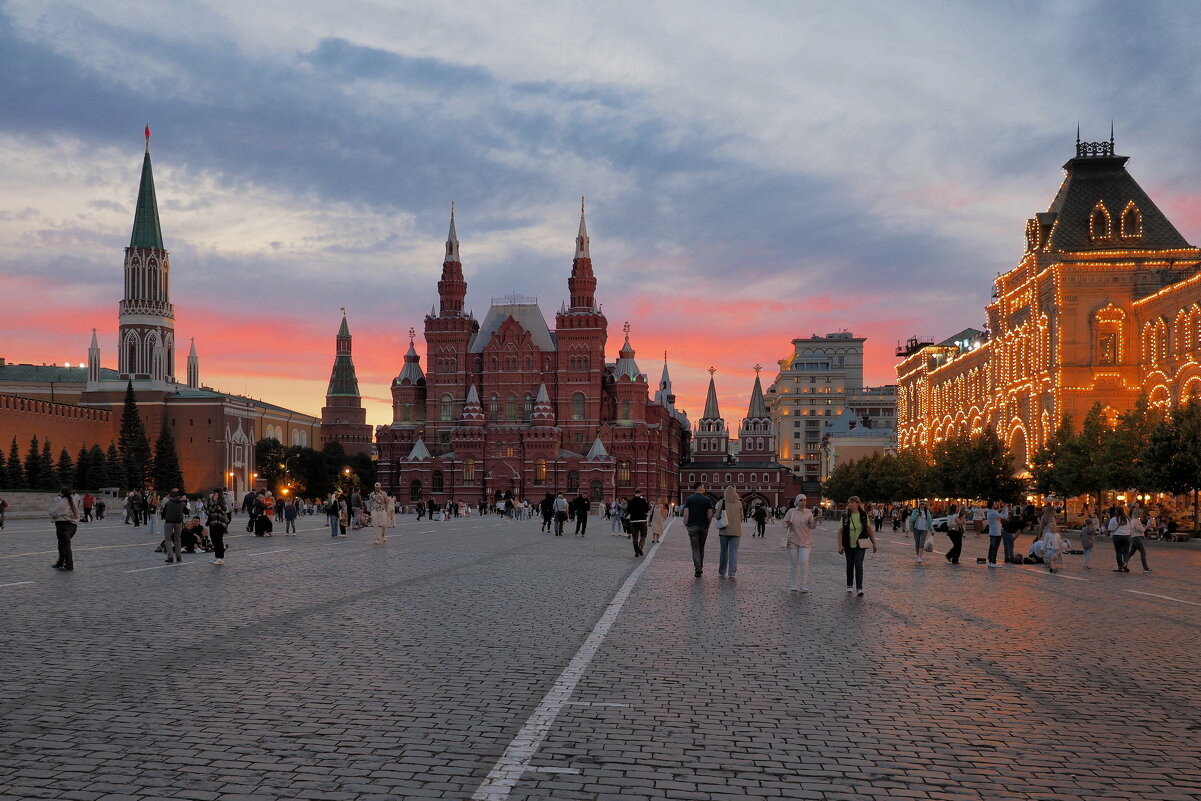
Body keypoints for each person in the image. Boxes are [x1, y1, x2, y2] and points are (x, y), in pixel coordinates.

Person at [838, 495, 876, 596]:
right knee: (850, 565)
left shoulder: (863, 515)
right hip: (848, 544)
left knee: (858, 564)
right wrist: (840, 545)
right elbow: (840, 532)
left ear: (857, 504)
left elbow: (869, 529)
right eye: (849, 503)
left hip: (861, 544)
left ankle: (859, 588)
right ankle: (849, 585)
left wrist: (874, 543)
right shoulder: (845, 516)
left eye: (852, 502)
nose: (850, 504)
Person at [783, 494, 816, 592]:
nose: (803, 502)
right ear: (797, 501)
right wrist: (787, 523)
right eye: (801, 500)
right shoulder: (791, 511)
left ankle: (803, 585)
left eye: (805, 500)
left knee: (804, 562)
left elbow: (812, 526)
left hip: (806, 541)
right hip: (793, 540)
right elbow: (783, 523)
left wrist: (816, 521)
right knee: (794, 563)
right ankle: (793, 584)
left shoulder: (808, 512)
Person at [681, 482, 715, 577]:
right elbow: (710, 515)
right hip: (703, 526)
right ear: (699, 487)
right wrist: (708, 524)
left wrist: (686, 523)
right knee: (701, 547)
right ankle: (700, 566)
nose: (705, 488)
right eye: (704, 487)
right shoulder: (707, 499)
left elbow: (686, 513)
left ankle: (697, 568)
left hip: (692, 526)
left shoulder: (689, 499)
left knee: (695, 548)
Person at [715, 487, 743, 577]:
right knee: (733, 551)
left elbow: (717, 516)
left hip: (724, 531)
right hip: (736, 531)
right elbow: (742, 517)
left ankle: (722, 571)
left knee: (723, 551)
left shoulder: (721, 502)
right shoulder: (739, 503)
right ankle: (732, 572)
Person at [49, 487, 79, 571]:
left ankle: (69, 565)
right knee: (61, 545)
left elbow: (53, 512)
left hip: (63, 526)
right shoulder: (74, 501)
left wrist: (54, 517)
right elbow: (77, 514)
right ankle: (60, 563)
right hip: (73, 526)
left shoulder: (61, 502)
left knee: (65, 546)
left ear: (62, 493)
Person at [160, 488, 187, 563]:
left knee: (168, 539)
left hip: (169, 522)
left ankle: (170, 557)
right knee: (178, 539)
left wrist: (166, 517)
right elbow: (187, 512)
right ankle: (178, 556)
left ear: (171, 497)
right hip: (178, 522)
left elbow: (163, 513)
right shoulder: (182, 503)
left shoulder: (168, 503)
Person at [206, 489, 230, 565]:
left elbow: (212, 509)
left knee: (218, 540)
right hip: (213, 523)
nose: (213, 495)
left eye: (214, 493)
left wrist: (212, 501)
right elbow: (208, 511)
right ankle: (217, 557)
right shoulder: (214, 502)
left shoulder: (221, 502)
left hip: (219, 523)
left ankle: (220, 558)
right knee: (214, 540)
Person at [626, 489, 651, 557]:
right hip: (642, 521)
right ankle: (640, 548)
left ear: (635, 493)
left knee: (635, 538)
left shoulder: (630, 501)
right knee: (643, 535)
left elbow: (628, 511)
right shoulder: (643, 501)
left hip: (633, 521)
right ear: (640, 493)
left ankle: (636, 552)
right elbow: (646, 510)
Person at [1038, 507, 1062, 573]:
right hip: (1052, 535)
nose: (1054, 512)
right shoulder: (1052, 518)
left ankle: (1048, 563)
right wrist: (1058, 533)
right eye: (1053, 511)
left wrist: (1039, 535)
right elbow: (1055, 526)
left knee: (1047, 548)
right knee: (1052, 548)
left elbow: (1041, 527)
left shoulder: (1043, 517)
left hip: (1045, 534)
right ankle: (1051, 564)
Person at [986, 500, 1008, 567]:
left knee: (991, 547)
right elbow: (1004, 516)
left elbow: (1001, 515)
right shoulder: (993, 513)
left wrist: (1004, 508)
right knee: (995, 547)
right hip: (996, 532)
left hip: (992, 531)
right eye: (995, 504)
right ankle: (993, 562)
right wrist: (1006, 508)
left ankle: (990, 561)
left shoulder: (990, 512)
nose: (996, 505)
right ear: (992, 505)